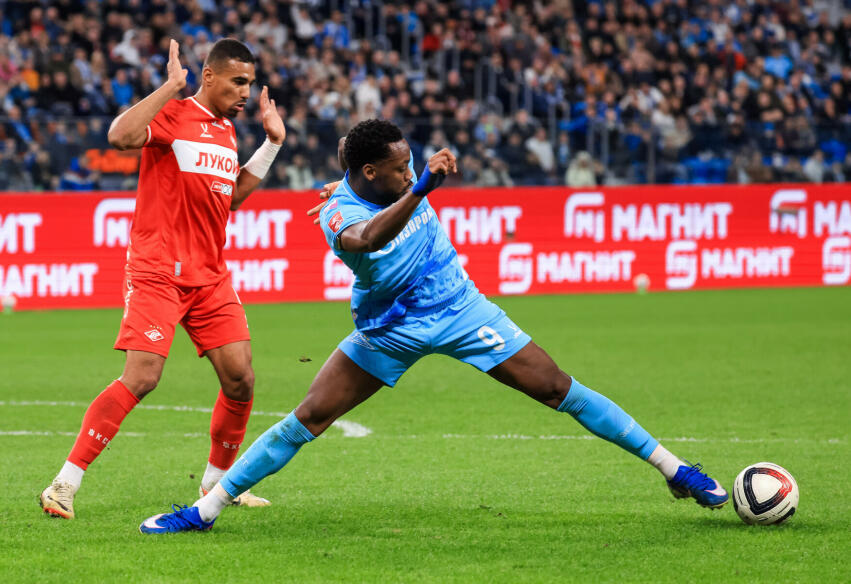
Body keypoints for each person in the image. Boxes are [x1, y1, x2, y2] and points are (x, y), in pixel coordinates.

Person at [138, 119, 728, 533]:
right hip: (389, 329)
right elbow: (368, 238)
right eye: (399, 169)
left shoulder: (374, 171)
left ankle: (674, 470)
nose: (410, 173)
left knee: (557, 387)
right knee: (309, 418)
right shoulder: (339, 212)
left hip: (461, 309)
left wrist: (399, 178)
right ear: (371, 173)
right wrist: (420, 189)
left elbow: (351, 145)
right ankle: (205, 510)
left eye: (411, 165)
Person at [40, 38, 286, 519]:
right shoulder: (173, 115)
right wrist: (170, 87)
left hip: (209, 275)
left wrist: (272, 144)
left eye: (250, 83)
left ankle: (217, 486)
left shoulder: (226, 131)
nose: (245, 92)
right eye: (238, 81)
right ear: (208, 76)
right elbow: (119, 136)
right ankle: (64, 483)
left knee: (240, 379)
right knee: (143, 376)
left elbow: (232, 198)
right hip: (158, 270)